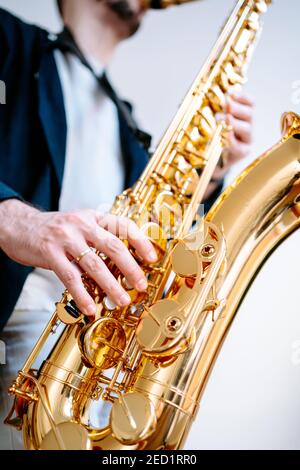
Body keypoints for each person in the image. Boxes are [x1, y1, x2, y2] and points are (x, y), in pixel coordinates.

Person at [0, 0, 254, 449]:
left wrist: (212, 171)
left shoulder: (127, 127)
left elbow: (165, 236)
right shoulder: (8, 41)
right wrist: (14, 219)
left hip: (86, 379)